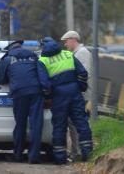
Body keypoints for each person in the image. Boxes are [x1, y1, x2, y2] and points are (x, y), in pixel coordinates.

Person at [37, 37, 93, 165]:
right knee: (81, 122)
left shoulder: (42, 60)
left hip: (58, 95)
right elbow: (83, 73)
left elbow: (44, 84)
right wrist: (80, 87)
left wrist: (49, 96)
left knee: (59, 126)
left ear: (43, 47)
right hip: (74, 92)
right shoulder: (68, 54)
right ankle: (87, 152)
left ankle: (60, 157)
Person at [0, 40, 50, 164]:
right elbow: (42, 74)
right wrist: (46, 90)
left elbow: (0, 80)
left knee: (20, 124)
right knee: (36, 125)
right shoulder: (34, 57)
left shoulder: (7, 59)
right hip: (36, 92)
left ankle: (18, 155)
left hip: (19, 93)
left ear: (10, 50)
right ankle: (34, 157)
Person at [60, 30, 92, 161]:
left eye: (66, 41)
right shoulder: (77, 53)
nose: (65, 45)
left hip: (82, 95)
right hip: (78, 94)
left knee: (77, 124)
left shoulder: (82, 53)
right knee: (73, 124)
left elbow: (84, 74)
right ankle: (75, 151)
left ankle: (78, 152)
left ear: (73, 39)